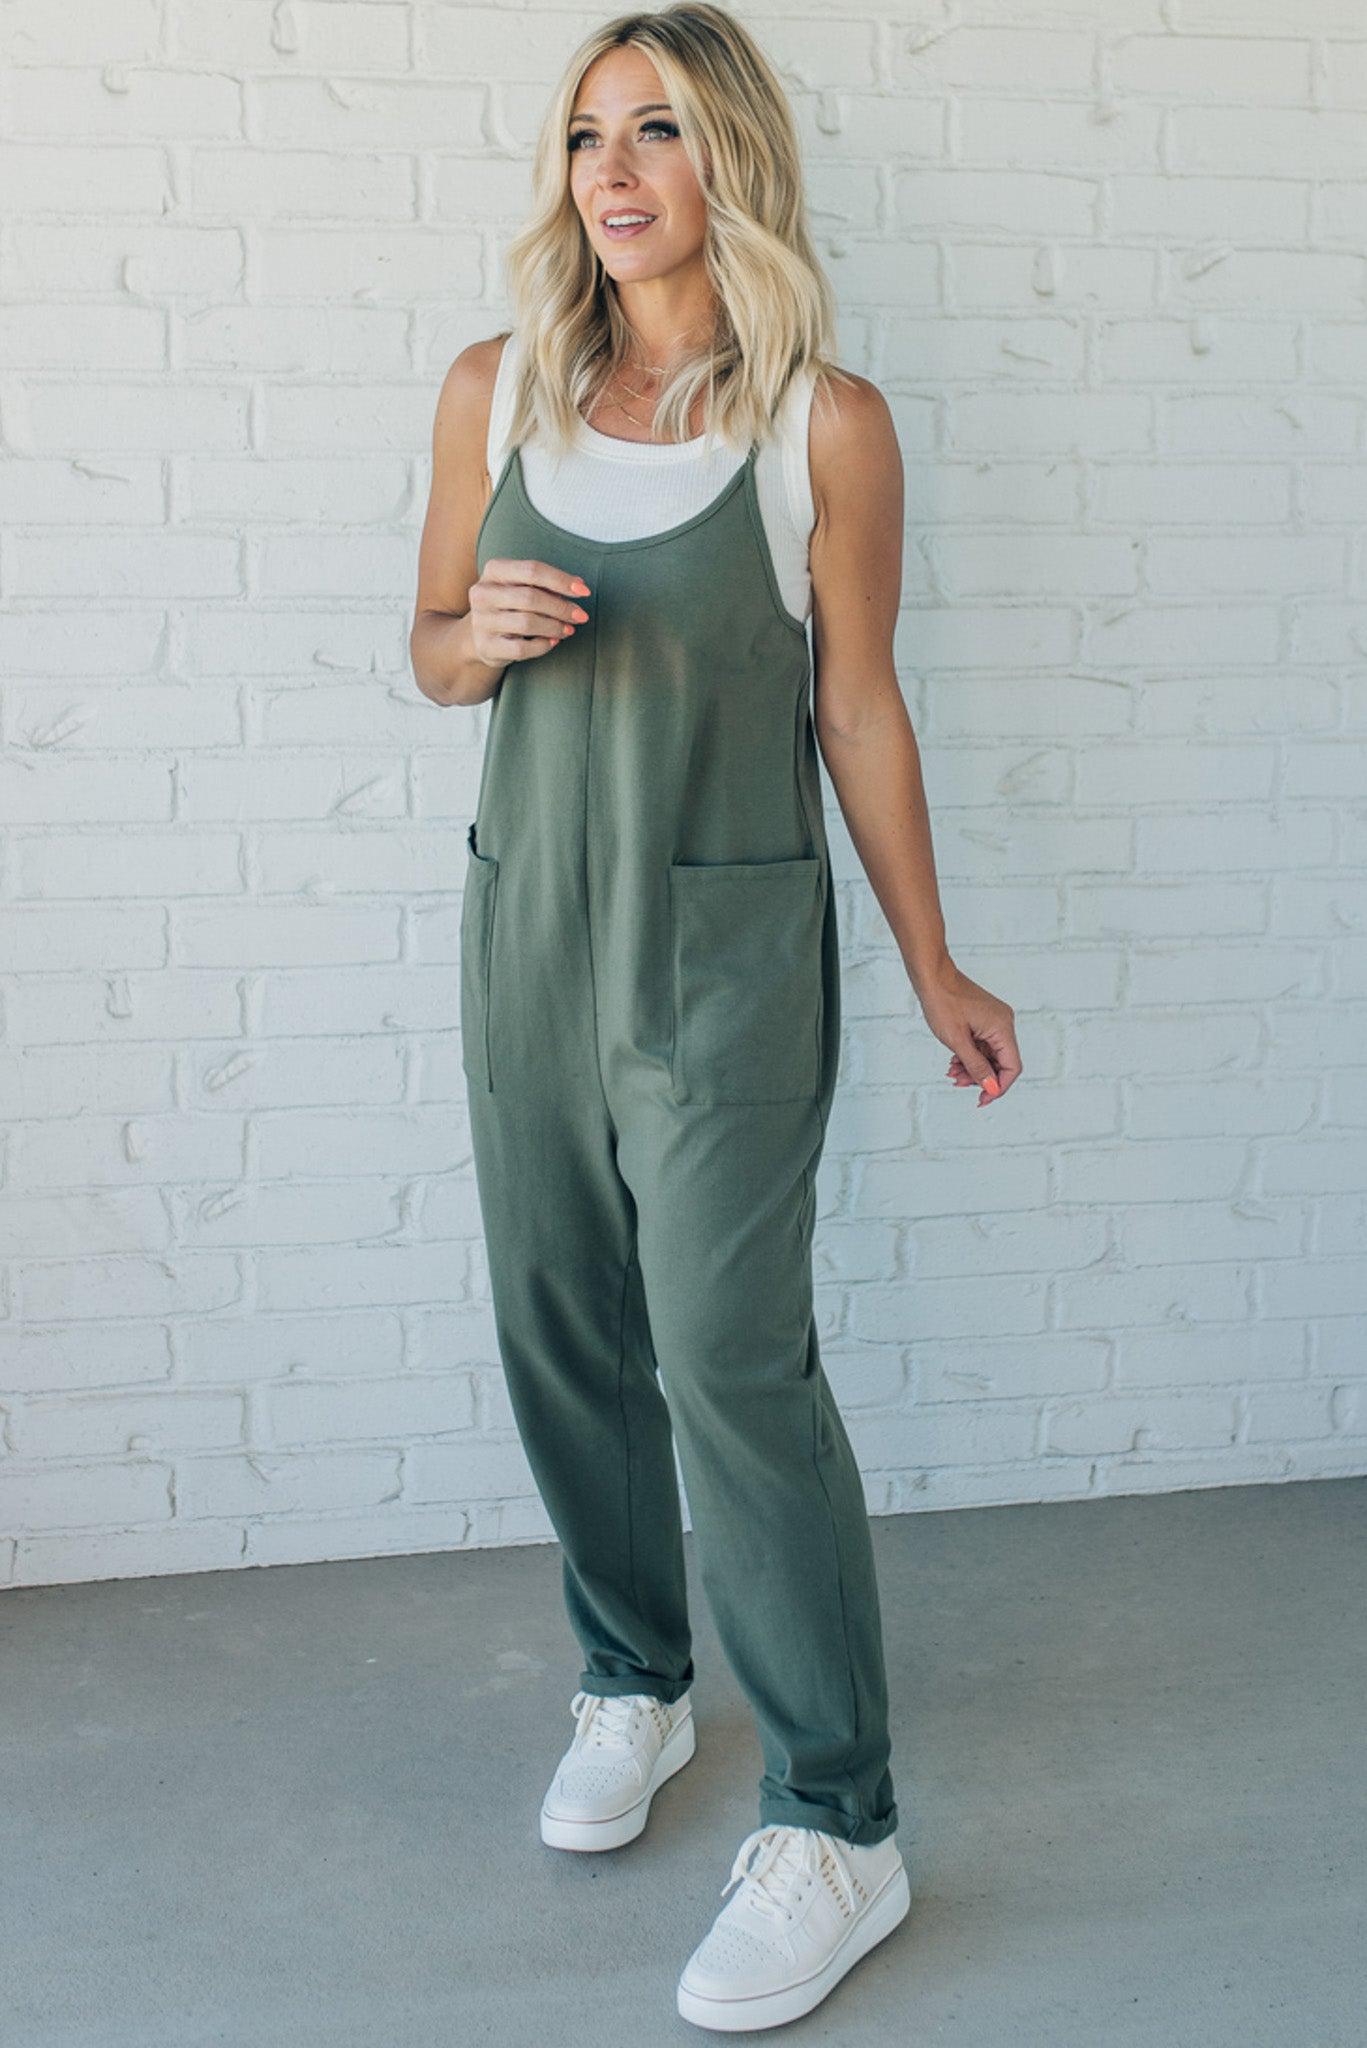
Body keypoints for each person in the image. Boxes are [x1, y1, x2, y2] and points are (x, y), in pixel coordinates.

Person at [410, 3, 1021, 2030]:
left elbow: (858, 704)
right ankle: (634, 1680)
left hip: (729, 959)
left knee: (729, 1362)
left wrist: (935, 962)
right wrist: (465, 633)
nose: (613, 165)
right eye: (587, 132)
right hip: (533, 942)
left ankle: (841, 1821)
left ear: (726, 160)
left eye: (657, 127)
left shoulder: (820, 425)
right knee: (560, 1329)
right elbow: (431, 648)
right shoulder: (496, 394)